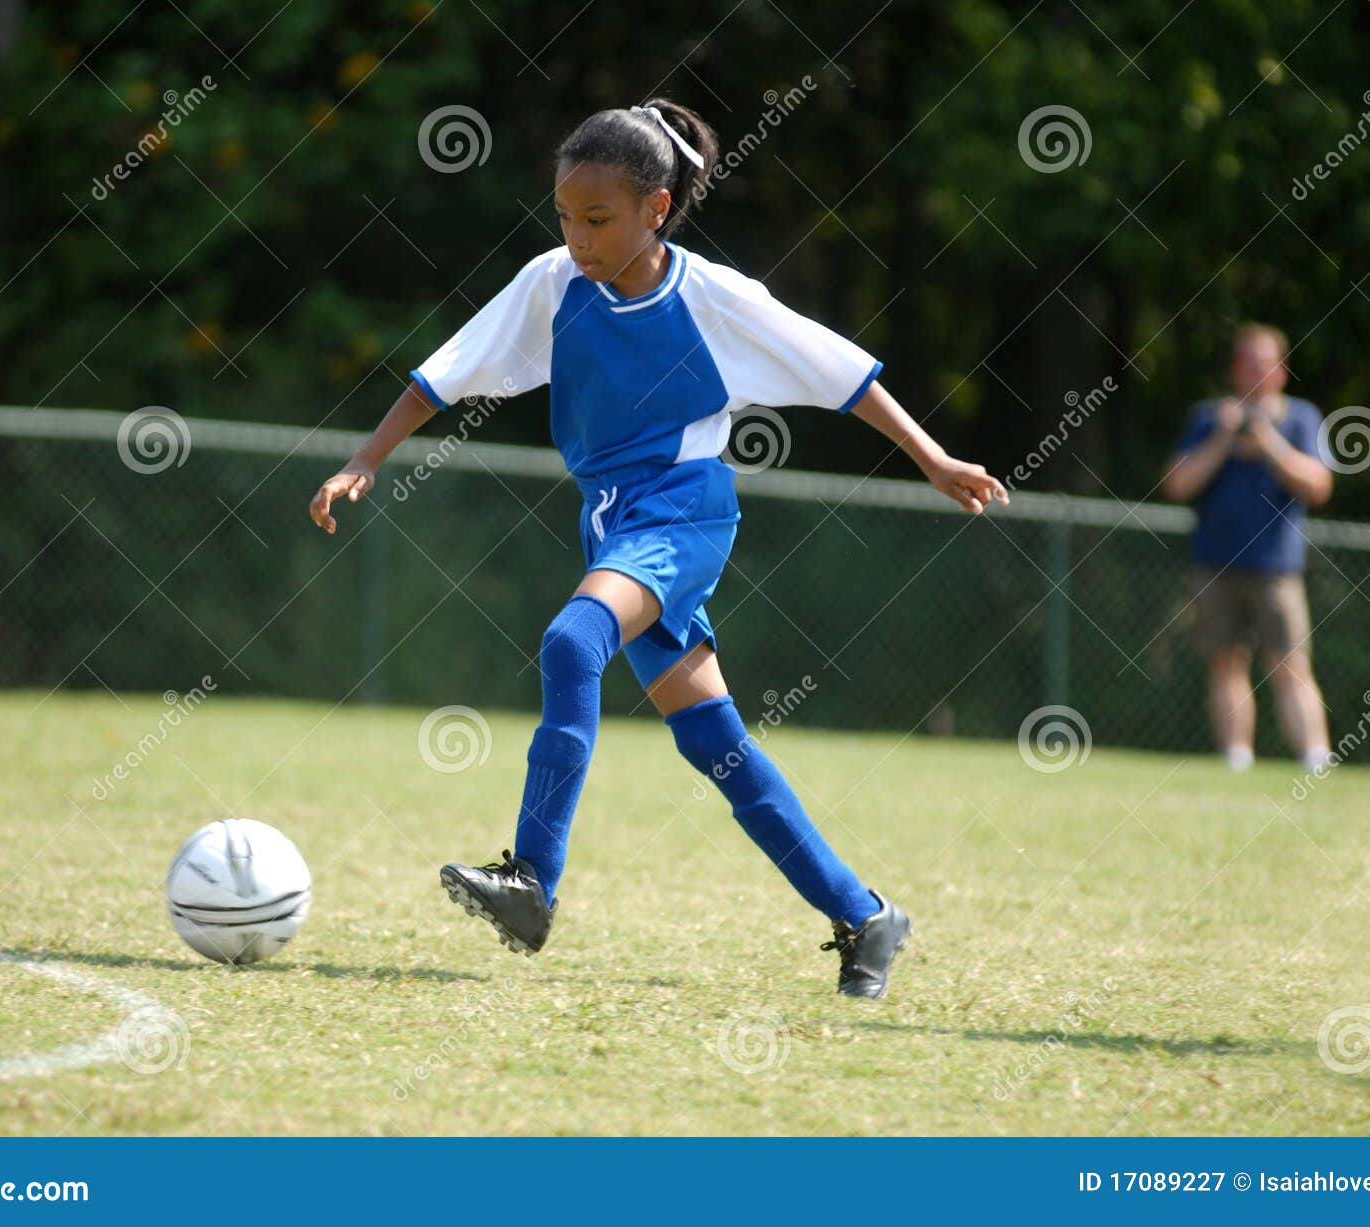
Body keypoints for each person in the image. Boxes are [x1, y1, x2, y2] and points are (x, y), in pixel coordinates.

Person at [309, 99, 1008, 997]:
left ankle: (532, 881)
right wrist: (365, 459)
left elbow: (843, 373)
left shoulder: (714, 299)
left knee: (572, 640)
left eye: (598, 219)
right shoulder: (554, 282)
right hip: (612, 521)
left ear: (659, 209)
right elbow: (446, 372)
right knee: (719, 750)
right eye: (564, 214)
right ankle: (866, 914)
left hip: (684, 510)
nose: (579, 236)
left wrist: (935, 457)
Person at [1162, 324, 1334, 772]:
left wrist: (1269, 444)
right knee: (1226, 662)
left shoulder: (1301, 418)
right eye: (1247, 361)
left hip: (1277, 568)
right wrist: (1222, 439)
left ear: (1281, 369)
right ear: (1235, 368)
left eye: (1265, 361)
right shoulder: (1208, 418)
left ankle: (1315, 757)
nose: (1256, 370)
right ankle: (1237, 757)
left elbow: (1319, 486)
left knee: (1290, 663)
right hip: (1215, 565)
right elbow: (1178, 484)